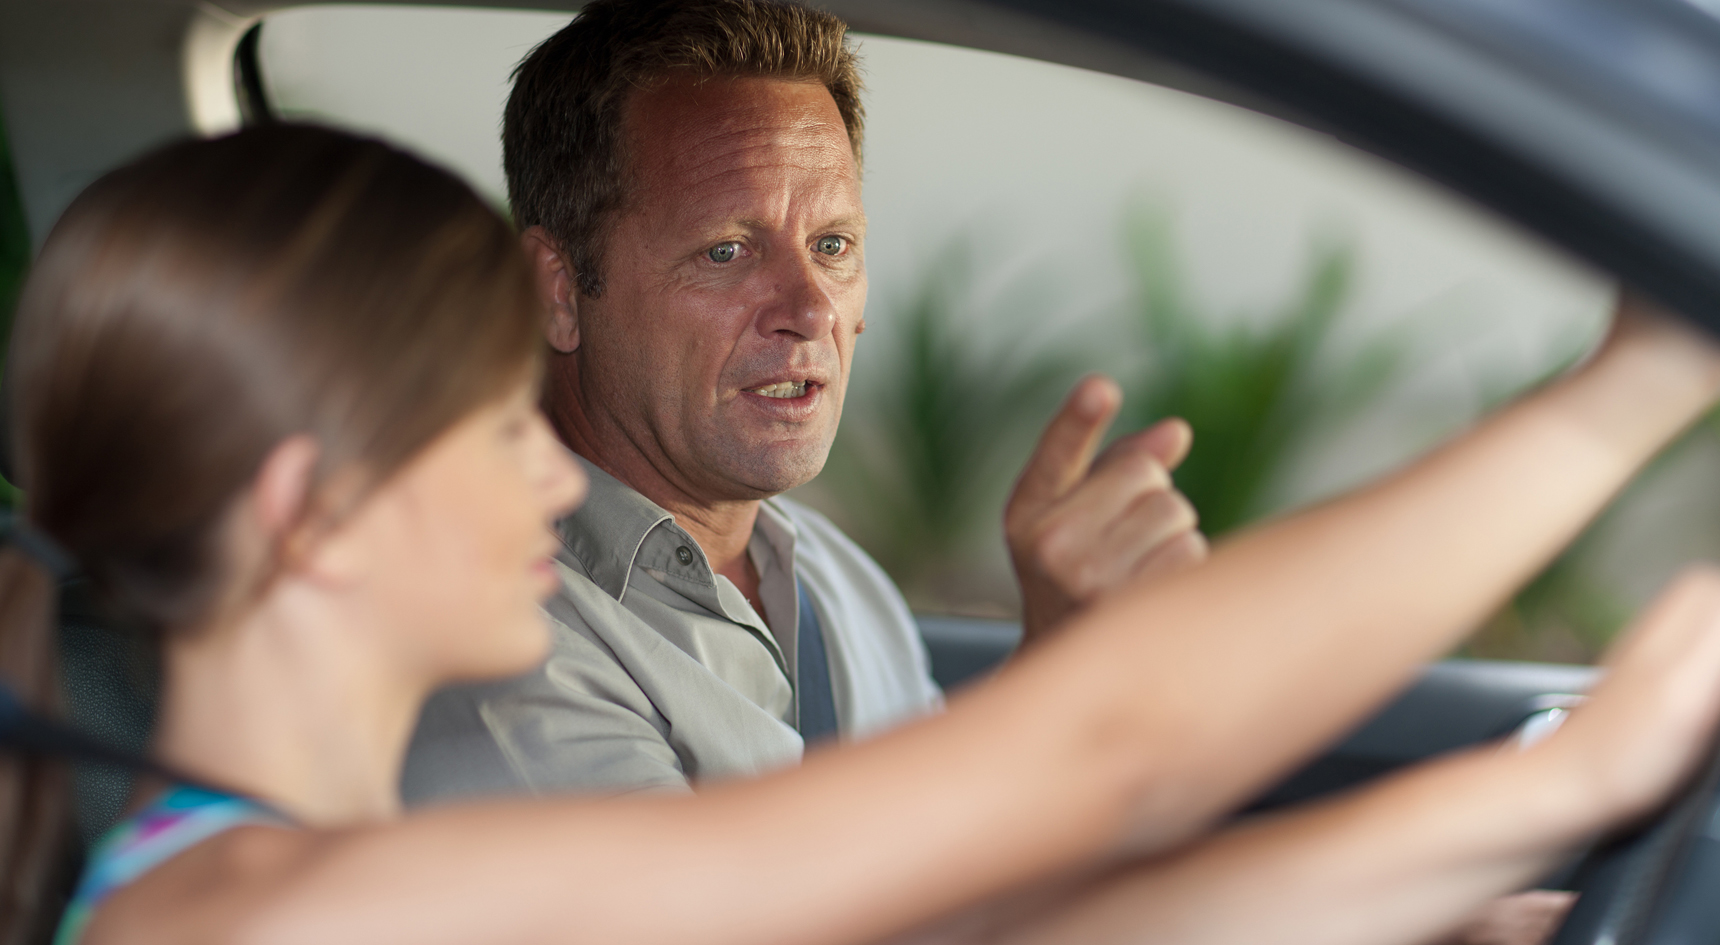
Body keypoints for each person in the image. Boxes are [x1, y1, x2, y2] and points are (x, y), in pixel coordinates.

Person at [7, 124, 1720, 945]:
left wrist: (1490, 870)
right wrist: (1625, 401)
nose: (549, 476)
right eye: (488, 431)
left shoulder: (297, 873)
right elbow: (1108, 760)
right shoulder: (253, 920)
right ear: (314, 518)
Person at [401, 0, 1211, 801]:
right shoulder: (498, 644)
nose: (812, 308)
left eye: (832, 246)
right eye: (727, 250)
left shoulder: (832, 575)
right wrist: (1055, 694)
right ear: (560, 291)